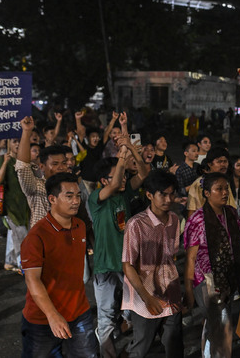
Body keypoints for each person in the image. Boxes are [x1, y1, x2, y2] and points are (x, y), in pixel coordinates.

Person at [20, 173, 98, 357]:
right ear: (52, 199)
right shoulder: (36, 237)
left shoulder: (79, 225)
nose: (76, 201)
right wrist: (52, 316)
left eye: (78, 195)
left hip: (79, 311)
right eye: (69, 196)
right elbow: (33, 281)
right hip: (42, 320)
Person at [184, 172, 240, 357]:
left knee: (216, 326)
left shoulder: (231, 213)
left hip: (230, 277)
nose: (224, 193)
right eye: (219, 189)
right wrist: (189, 290)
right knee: (223, 327)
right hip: (207, 281)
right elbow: (191, 258)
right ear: (207, 193)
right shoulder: (197, 220)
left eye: (226, 188)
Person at [89, 142, 149, 358]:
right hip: (105, 266)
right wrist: (122, 156)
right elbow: (114, 185)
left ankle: (130, 342)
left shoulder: (125, 193)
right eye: (118, 175)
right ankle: (107, 354)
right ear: (103, 181)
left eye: (124, 175)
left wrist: (132, 149)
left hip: (128, 264)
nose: (123, 179)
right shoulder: (96, 198)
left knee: (132, 310)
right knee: (105, 316)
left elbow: (144, 172)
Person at [122, 170, 184, 357]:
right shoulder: (136, 225)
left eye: (171, 193)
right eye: (162, 194)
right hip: (145, 296)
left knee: (174, 344)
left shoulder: (174, 219)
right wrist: (147, 297)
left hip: (170, 292)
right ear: (149, 195)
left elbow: (170, 256)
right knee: (142, 346)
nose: (168, 198)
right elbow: (128, 265)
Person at [16, 117, 68, 228]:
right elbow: (23, 167)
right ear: (42, 167)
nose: (61, 167)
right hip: (43, 240)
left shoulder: (71, 187)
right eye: (55, 164)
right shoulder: (37, 187)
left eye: (64, 163)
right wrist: (26, 132)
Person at [0, 139, 30, 273]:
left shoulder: (25, 161)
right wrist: (4, 163)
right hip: (10, 206)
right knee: (21, 235)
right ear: (9, 143)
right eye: (15, 141)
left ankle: (11, 261)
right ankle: (24, 265)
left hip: (24, 205)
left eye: (21, 142)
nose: (18, 145)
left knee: (17, 234)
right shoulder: (2, 160)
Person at [187, 147, 237, 219]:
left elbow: (232, 208)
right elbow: (191, 211)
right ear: (210, 164)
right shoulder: (198, 184)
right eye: (219, 162)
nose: (223, 165)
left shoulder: (225, 183)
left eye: (225, 161)